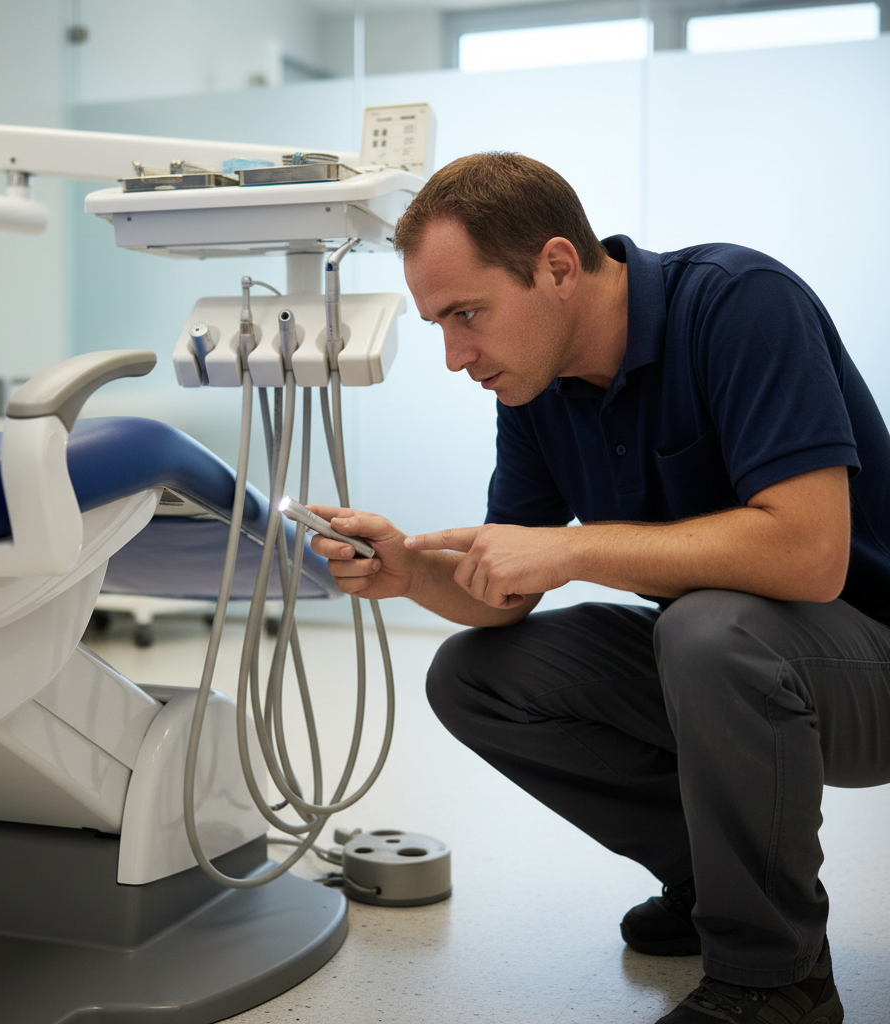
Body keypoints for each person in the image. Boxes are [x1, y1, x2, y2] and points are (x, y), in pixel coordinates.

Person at [308, 152, 890, 1024]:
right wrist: (410, 571)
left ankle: (780, 979)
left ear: (556, 266)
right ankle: (714, 882)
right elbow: (504, 591)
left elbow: (811, 555)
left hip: (867, 662)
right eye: (439, 324)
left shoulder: (740, 304)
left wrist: (570, 554)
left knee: (705, 627)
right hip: (729, 666)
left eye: (468, 314)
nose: (456, 355)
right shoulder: (534, 389)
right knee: (474, 675)